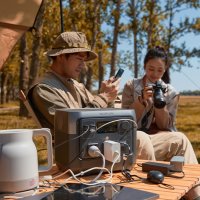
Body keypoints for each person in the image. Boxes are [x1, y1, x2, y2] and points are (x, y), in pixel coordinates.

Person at [122, 46, 199, 200]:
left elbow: (166, 127)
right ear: (144, 66)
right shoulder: (131, 86)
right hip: (132, 139)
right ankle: (157, 194)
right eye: (151, 69)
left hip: (156, 139)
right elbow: (124, 121)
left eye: (160, 70)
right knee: (142, 136)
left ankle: (196, 195)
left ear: (165, 70)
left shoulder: (170, 92)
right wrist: (141, 101)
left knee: (181, 139)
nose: (155, 75)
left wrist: (160, 105)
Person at [27, 31, 120, 134]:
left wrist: (109, 98)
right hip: (73, 148)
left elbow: (104, 120)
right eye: (79, 59)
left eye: (84, 60)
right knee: (139, 138)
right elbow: (73, 126)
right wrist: (103, 97)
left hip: (93, 141)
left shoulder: (77, 86)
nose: (83, 65)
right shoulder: (43, 88)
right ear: (60, 57)